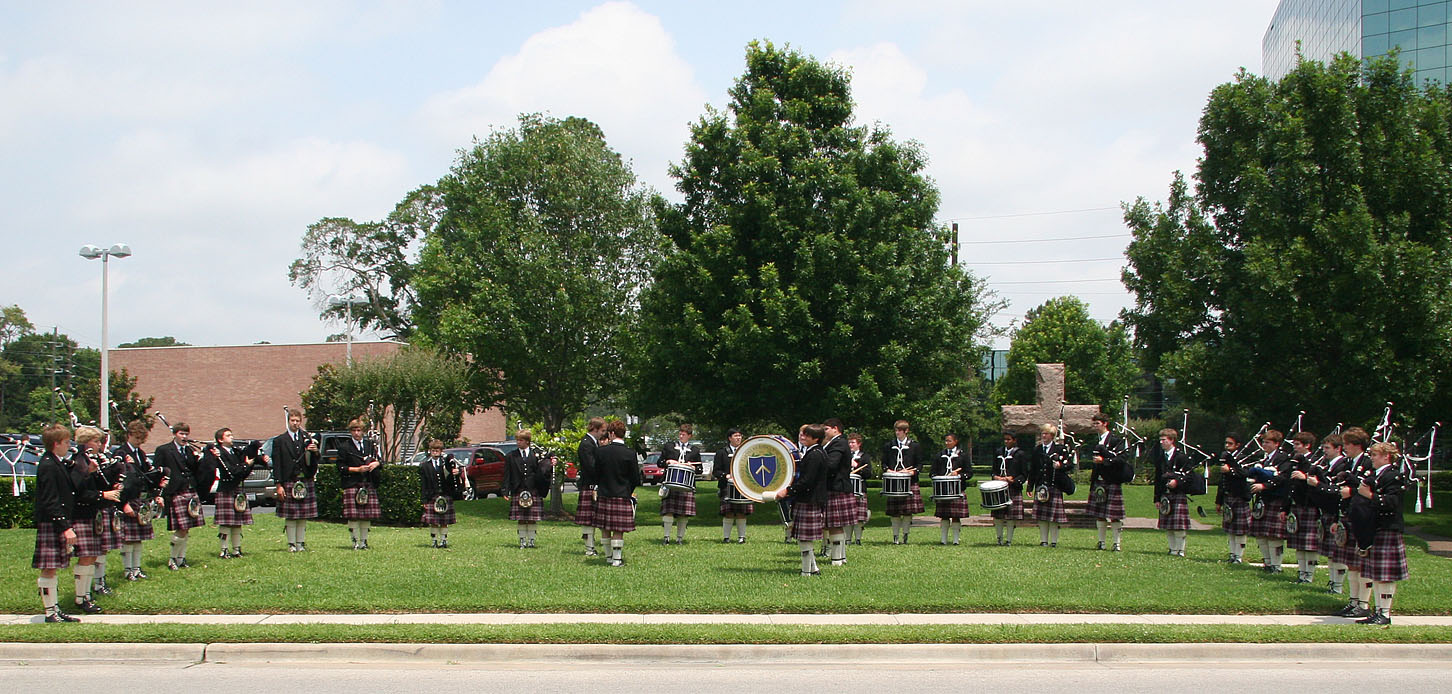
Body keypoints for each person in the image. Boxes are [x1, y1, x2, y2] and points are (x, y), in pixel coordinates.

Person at [1352, 441, 1409, 625]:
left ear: (1387, 456)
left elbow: (1392, 502)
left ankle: (1384, 614)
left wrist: (1369, 496)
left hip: (1388, 528)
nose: (1371, 458)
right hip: (1374, 528)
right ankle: (1378, 612)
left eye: (1375, 455)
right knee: (1376, 574)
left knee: (1385, 575)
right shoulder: (1375, 475)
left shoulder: (1394, 476)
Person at [33, 424, 81, 622]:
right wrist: (66, 527)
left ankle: (54, 609)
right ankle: (50, 612)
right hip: (52, 523)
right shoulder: (48, 465)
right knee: (49, 567)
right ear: (56, 443)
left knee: (53, 566)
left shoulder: (56, 462)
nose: (68, 446)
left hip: (56, 523)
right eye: (66, 442)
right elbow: (50, 500)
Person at [69, 426, 120, 614]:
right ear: (87, 441)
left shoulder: (88, 459)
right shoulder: (79, 460)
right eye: (97, 441)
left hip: (91, 514)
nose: (100, 445)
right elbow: (78, 491)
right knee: (86, 557)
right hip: (81, 514)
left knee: (90, 556)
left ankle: (85, 595)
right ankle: (81, 598)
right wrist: (103, 494)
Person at [1331, 428, 1377, 618]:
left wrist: (1353, 490)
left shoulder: (1367, 462)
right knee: (1352, 563)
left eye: (1348, 444)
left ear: (1357, 445)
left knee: (1361, 562)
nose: (1345, 448)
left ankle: (1364, 604)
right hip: (1349, 514)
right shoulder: (1349, 462)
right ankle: (1353, 601)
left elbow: (1371, 486)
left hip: (1362, 516)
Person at [777, 424, 827, 576]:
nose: (803, 437)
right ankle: (813, 568)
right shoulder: (815, 452)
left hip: (808, 499)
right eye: (803, 434)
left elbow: (807, 481)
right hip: (809, 499)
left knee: (804, 538)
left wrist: (788, 491)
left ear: (816, 438)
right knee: (804, 538)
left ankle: (806, 571)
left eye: (807, 435)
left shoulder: (815, 455)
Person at [113, 420, 160, 581]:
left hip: (140, 499)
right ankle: (127, 570)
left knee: (139, 538)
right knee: (129, 538)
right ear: (129, 435)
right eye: (137, 437)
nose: (140, 441)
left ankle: (137, 567)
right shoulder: (120, 452)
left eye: (142, 438)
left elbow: (147, 475)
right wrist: (123, 503)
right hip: (128, 499)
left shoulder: (140, 454)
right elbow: (119, 481)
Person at [154, 422, 204, 570]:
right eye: (181, 434)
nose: (184, 437)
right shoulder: (163, 450)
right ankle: (172, 558)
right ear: (175, 434)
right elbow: (158, 472)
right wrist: (158, 493)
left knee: (187, 527)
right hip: (175, 491)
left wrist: (198, 459)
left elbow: (195, 471)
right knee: (181, 527)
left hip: (190, 490)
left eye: (186, 434)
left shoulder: (189, 451)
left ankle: (181, 559)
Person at [206, 428, 261, 559]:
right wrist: (245, 465)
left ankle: (236, 549)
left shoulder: (235, 452)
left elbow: (242, 472)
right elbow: (233, 470)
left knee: (237, 522)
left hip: (237, 489)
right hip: (225, 489)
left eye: (232, 435)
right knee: (225, 522)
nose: (232, 437)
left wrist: (248, 464)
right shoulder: (219, 454)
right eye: (228, 435)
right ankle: (224, 550)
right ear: (220, 439)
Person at [593, 419, 641, 566]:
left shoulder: (601, 452)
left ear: (612, 433)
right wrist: (627, 491)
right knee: (618, 529)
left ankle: (608, 557)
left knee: (605, 527)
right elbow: (635, 478)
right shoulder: (630, 453)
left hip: (604, 494)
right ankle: (617, 559)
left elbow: (596, 474)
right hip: (622, 494)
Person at [272, 407, 319, 553]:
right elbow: (277, 464)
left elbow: (316, 460)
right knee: (291, 516)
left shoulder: (307, 439)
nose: (295, 423)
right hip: (288, 480)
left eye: (298, 421)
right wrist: (278, 485)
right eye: (293, 420)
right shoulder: (280, 440)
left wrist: (315, 451)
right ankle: (291, 543)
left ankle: (301, 543)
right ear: (288, 422)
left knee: (303, 515)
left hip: (305, 480)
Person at [1311, 433, 1352, 594]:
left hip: (1337, 511)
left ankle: (1338, 586)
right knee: (1331, 554)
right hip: (1327, 511)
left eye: (1327, 448)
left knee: (1338, 552)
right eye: (1323, 448)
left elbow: (1335, 490)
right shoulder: (1327, 465)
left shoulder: (1342, 465)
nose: (1324, 451)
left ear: (1338, 448)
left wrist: (1318, 484)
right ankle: (1333, 583)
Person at [1248, 430, 1291, 572]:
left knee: (1273, 536)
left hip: (1275, 499)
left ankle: (1276, 566)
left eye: (1267, 442)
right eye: (1263, 442)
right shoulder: (1264, 459)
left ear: (1276, 444)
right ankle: (1267, 563)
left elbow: (1283, 478)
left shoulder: (1283, 458)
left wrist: (1264, 486)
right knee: (1261, 534)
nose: (1264, 445)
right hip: (1263, 500)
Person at [337, 419, 382, 550]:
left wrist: (377, 463)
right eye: (354, 430)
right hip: (352, 483)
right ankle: (355, 541)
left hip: (368, 483)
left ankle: (364, 541)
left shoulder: (370, 445)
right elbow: (340, 467)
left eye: (359, 430)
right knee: (354, 515)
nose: (357, 433)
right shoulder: (344, 447)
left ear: (363, 431)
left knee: (366, 515)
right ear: (351, 431)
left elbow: (380, 461)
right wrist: (357, 469)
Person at [504, 429, 552, 548]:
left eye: (521, 440)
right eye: (517, 440)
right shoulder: (511, 456)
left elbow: (542, 470)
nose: (518, 442)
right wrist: (505, 490)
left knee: (532, 518)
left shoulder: (536, 455)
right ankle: (522, 540)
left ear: (527, 442)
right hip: (518, 489)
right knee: (521, 518)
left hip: (533, 489)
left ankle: (531, 540)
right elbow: (507, 474)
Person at [1086, 413, 1127, 551]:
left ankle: (1117, 543)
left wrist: (1104, 460)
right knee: (1100, 514)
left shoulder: (1116, 440)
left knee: (1114, 516)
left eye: (1097, 423)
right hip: (1099, 482)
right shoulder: (1097, 441)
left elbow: (1121, 460)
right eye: (1094, 424)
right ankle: (1101, 542)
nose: (1095, 426)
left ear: (1105, 423)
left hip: (1112, 482)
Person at [1286, 431, 1322, 583]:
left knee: (1309, 544)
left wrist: (1305, 477)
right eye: (1294, 444)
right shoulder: (1294, 461)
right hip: (1297, 505)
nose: (1295, 447)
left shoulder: (1315, 461)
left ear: (1307, 445)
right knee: (1299, 545)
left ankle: (1310, 574)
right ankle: (1301, 573)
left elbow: (1320, 482)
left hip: (1311, 506)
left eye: (1298, 444)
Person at [881, 420, 925, 544]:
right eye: (896, 430)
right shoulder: (889, 445)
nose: (897, 433)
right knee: (894, 512)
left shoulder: (915, 446)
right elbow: (884, 462)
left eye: (900, 430)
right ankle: (895, 537)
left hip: (909, 481)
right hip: (893, 482)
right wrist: (888, 470)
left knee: (907, 512)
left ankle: (905, 536)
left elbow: (920, 464)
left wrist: (913, 472)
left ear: (906, 431)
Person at [1029, 424, 1071, 548]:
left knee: (1053, 517)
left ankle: (1053, 541)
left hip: (1055, 486)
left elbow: (1069, 465)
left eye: (1046, 433)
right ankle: (1043, 541)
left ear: (1052, 436)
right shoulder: (1037, 450)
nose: (1043, 436)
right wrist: (1030, 486)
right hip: (1041, 486)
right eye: (1042, 433)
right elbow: (1033, 469)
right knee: (1042, 517)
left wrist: (1060, 466)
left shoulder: (1060, 449)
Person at [1154, 427, 1194, 557]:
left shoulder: (1181, 457)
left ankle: (1181, 550)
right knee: (1168, 525)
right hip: (1165, 494)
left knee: (1178, 526)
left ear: (1171, 440)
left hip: (1178, 495)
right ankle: (1172, 549)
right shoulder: (1160, 458)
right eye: (1160, 440)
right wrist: (1157, 498)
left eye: (1164, 440)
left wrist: (1177, 483)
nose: (1161, 442)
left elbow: (1190, 476)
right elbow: (1157, 479)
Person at [659, 424, 701, 544]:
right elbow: (659, 462)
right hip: (670, 483)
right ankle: (666, 537)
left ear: (690, 436)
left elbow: (699, 469)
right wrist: (668, 461)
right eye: (680, 433)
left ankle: (679, 538)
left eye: (684, 434)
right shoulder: (669, 447)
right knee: (668, 511)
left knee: (684, 513)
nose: (681, 435)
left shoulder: (694, 450)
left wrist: (692, 466)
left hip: (686, 486)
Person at [418, 438, 464, 548]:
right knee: (433, 521)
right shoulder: (425, 465)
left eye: (437, 450)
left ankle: (443, 541)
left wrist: (458, 472)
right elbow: (423, 484)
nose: (435, 452)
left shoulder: (447, 463)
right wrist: (424, 499)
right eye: (433, 450)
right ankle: (434, 541)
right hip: (431, 495)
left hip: (445, 494)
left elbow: (456, 473)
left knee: (444, 521)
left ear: (441, 451)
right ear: (430, 451)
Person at [1214, 433, 1251, 564]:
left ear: (1237, 445)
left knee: (1240, 530)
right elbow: (1222, 481)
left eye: (1230, 444)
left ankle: (1239, 556)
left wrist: (1230, 470)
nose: (1227, 446)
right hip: (1228, 497)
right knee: (1230, 529)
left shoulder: (1244, 457)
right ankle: (1232, 554)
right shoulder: (1225, 457)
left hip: (1240, 496)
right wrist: (1218, 501)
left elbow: (1246, 472)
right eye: (1226, 443)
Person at [821, 418, 854, 564]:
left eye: (826, 428)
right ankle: (841, 557)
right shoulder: (835, 443)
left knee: (835, 524)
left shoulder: (839, 443)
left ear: (836, 428)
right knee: (835, 524)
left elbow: (832, 464)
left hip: (837, 487)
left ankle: (837, 558)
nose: (824, 431)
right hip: (836, 487)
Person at [930, 433, 971, 545]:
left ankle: (955, 540)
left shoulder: (963, 456)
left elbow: (969, 473)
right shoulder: (939, 455)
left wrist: (958, 476)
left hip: (957, 490)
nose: (947, 443)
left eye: (949, 441)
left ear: (955, 441)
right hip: (943, 490)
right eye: (946, 441)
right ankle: (943, 540)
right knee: (944, 516)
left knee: (956, 516)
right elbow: (932, 472)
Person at [990, 432, 1029, 546]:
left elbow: (1024, 473)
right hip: (999, 488)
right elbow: (993, 470)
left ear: (1014, 440)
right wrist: (996, 477)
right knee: (998, 515)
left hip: (1013, 488)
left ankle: (1009, 540)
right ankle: (999, 538)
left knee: (1011, 516)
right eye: (1005, 439)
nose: (1006, 441)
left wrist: (1014, 480)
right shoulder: (999, 452)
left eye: (1009, 439)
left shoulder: (1020, 454)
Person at [716, 428, 752, 544]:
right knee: (728, 512)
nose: (738, 438)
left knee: (742, 512)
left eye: (740, 436)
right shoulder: (722, 452)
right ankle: (726, 537)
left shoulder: (747, 451)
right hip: (727, 486)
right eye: (736, 436)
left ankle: (741, 537)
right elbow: (716, 471)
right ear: (729, 438)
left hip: (743, 486)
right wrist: (725, 476)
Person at [576, 417, 605, 555]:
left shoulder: (593, 443)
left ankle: (591, 546)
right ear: (595, 429)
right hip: (590, 484)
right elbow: (591, 466)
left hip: (593, 484)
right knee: (588, 519)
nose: (603, 434)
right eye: (602, 430)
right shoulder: (587, 444)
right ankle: (589, 548)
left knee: (592, 518)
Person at [846, 433, 872, 545]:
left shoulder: (864, 456)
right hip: (846, 489)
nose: (850, 445)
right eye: (849, 443)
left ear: (859, 444)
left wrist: (856, 466)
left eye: (853, 442)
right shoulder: (845, 455)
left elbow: (868, 473)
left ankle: (858, 539)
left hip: (860, 489)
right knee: (847, 516)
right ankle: (847, 539)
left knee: (859, 517)